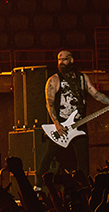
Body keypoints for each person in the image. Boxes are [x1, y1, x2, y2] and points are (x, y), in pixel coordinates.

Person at [40, 49, 109, 178]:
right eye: (59, 60)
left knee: (83, 159)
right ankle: (38, 184)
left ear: (72, 60)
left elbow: (96, 94)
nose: (61, 62)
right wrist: (56, 123)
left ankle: (84, 184)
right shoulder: (54, 80)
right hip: (61, 125)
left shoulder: (82, 78)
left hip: (80, 123)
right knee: (49, 155)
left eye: (64, 59)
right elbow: (49, 103)